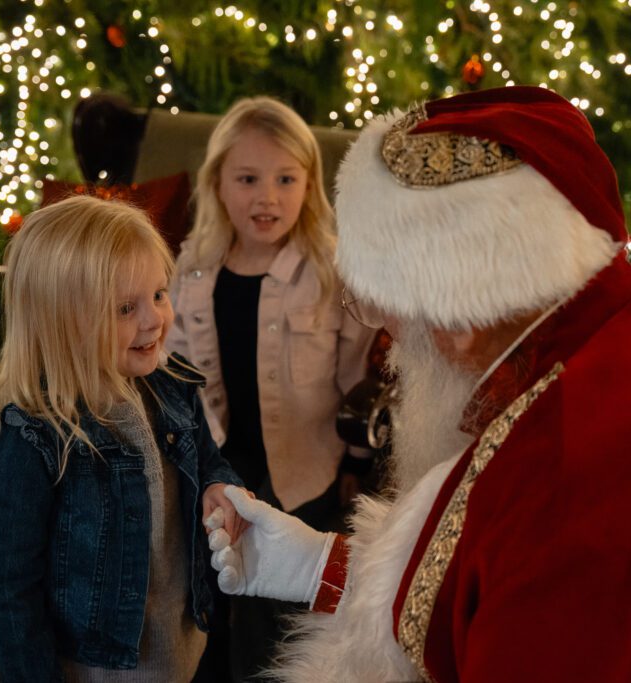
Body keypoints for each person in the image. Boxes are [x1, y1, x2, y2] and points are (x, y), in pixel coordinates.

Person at [206, 86, 631, 681]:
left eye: (390, 313)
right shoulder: (612, 335)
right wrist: (319, 567)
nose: (390, 346)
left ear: (459, 318)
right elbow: (494, 567)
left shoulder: (598, 477)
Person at [0, 195, 248, 681]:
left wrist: (219, 487)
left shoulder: (174, 385)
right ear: (60, 321)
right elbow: (9, 590)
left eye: (159, 294)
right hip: (100, 668)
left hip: (185, 642)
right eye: (125, 308)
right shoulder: (33, 439)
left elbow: (209, 461)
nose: (154, 320)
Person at [166, 96, 377, 679]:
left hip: (303, 466)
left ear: (309, 185)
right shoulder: (192, 268)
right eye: (248, 179)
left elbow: (355, 373)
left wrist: (356, 460)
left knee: (273, 614)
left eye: (286, 179)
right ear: (218, 184)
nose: (268, 197)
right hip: (214, 462)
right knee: (205, 586)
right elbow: (175, 370)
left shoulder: (329, 269)